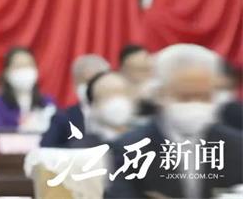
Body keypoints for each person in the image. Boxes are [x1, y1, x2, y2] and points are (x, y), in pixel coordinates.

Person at [106, 44, 243, 199]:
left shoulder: (237, 146)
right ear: (160, 94)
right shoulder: (129, 149)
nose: (195, 104)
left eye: (204, 97)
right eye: (184, 96)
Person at [40, 54, 110, 147]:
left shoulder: (121, 114)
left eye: (95, 81)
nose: (90, 87)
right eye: (85, 81)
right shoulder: (63, 118)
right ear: (75, 83)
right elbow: (46, 148)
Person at [0, 47, 55, 131]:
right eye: (18, 66)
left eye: (28, 65)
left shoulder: (46, 101)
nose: (24, 70)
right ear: (6, 73)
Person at [69, 71, 135, 147]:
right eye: (107, 95)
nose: (116, 101)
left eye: (121, 93)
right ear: (93, 104)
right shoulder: (81, 149)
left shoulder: (143, 140)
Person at [118, 44, 155, 117]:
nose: (145, 74)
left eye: (147, 69)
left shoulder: (158, 86)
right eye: (139, 70)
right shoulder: (117, 88)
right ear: (124, 69)